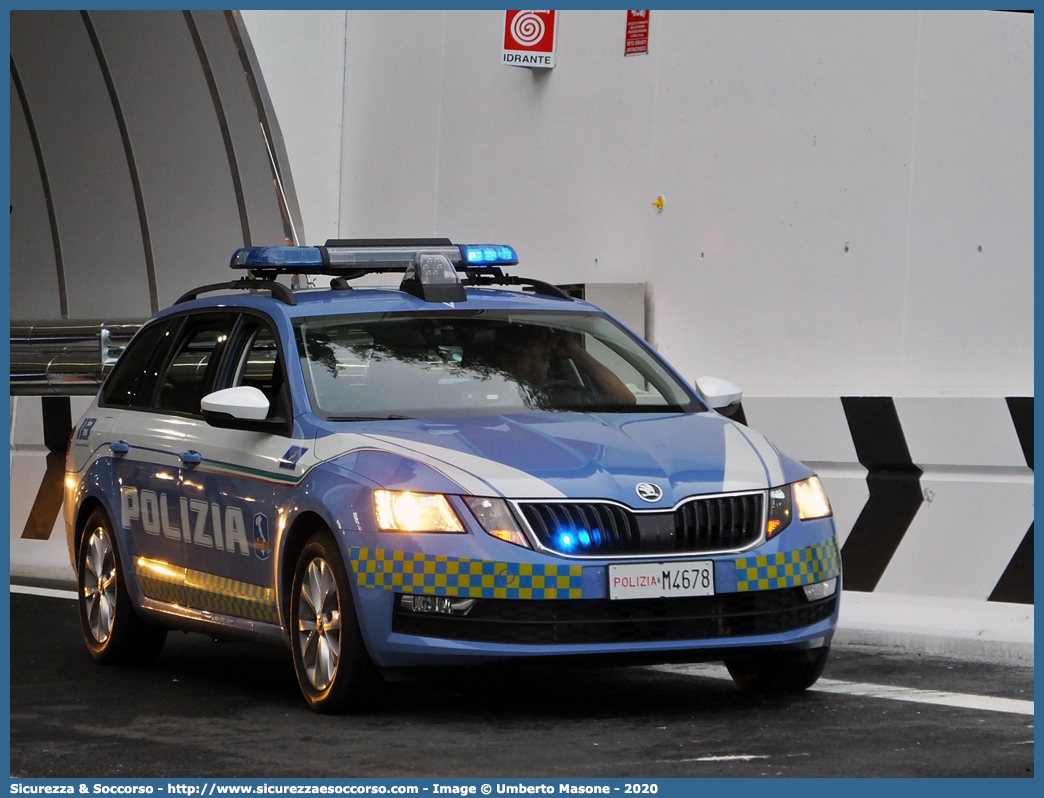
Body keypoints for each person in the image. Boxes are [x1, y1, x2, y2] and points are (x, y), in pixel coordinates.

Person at [500, 325, 636, 406]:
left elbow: (626, 401)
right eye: (528, 356)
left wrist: (577, 353)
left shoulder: (559, 396)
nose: (537, 365)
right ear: (508, 360)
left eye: (544, 357)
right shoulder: (497, 398)